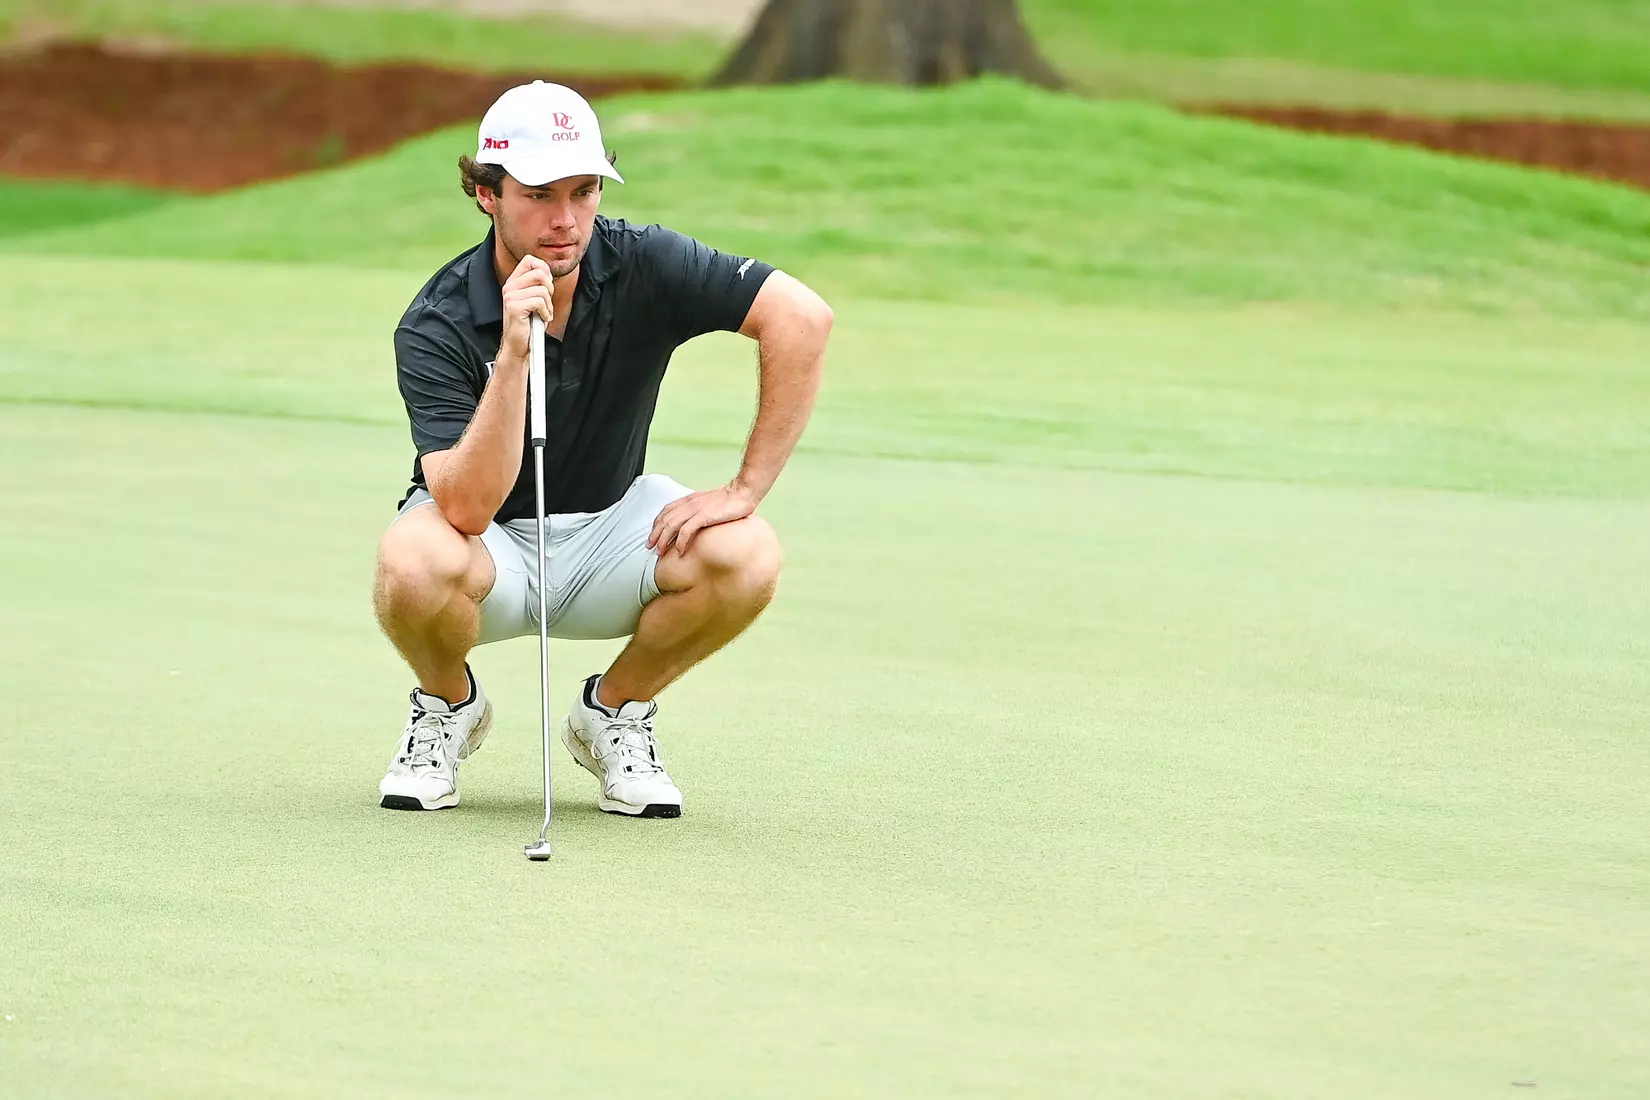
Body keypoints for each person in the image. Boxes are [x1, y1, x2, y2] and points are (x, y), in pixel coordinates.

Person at [373, 81, 832, 818]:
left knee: (748, 552)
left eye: (584, 191)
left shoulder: (643, 261)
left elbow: (803, 318)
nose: (565, 220)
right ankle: (448, 705)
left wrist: (745, 489)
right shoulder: (436, 321)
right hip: (487, 548)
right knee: (410, 562)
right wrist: (514, 354)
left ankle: (613, 712)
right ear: (487, 194)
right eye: (538, 194)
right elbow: (463, 504)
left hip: (612, 534)